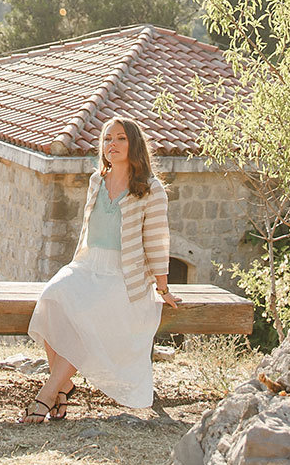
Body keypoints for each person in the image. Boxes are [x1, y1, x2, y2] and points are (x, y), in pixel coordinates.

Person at [22, 115, 177, 421]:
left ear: (134, 144)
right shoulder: (96, 180)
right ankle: (62, 388)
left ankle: (48, 394)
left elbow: (157, 241)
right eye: (107, 139)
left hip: (124, 276)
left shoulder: (150, 188)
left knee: (85, 317)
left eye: (120, 138)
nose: (112, 145)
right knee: (52, 298)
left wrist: (162, 286)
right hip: (87, 265)